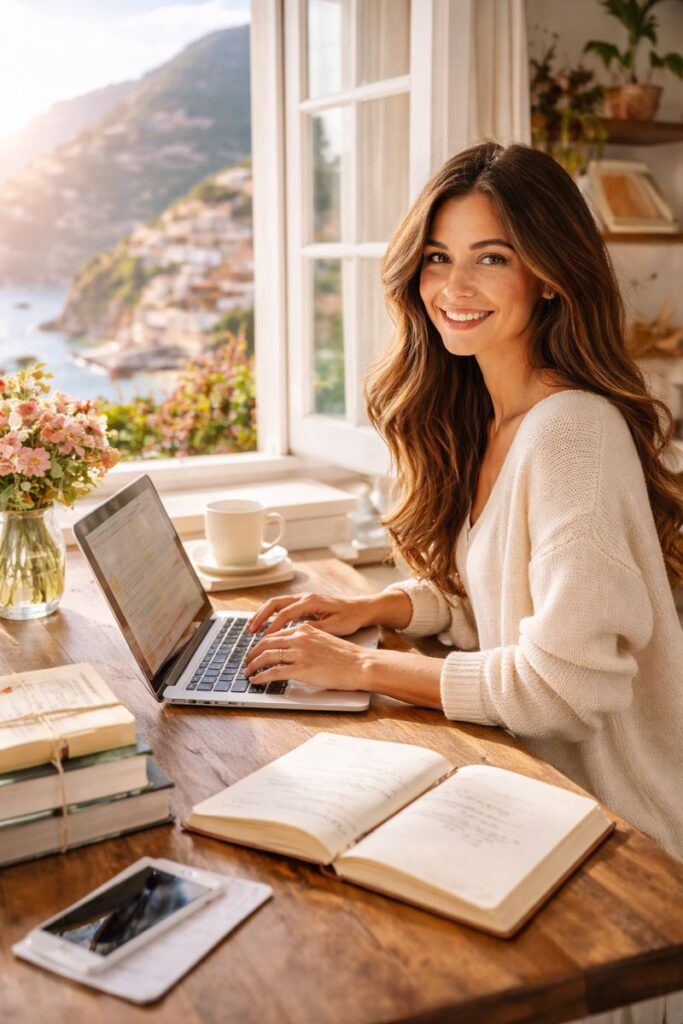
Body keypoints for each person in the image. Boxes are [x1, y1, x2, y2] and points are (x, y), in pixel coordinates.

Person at [245, 143, 683, 1020]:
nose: (455, 285)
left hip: (620, 847)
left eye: (493, 257)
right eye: (438, 258)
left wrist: (364, 667)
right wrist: (384, 605)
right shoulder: (491, 416)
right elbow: (499, 592)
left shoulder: (570, 431)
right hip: (528, 800)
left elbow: (564, 683)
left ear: (551, 276)